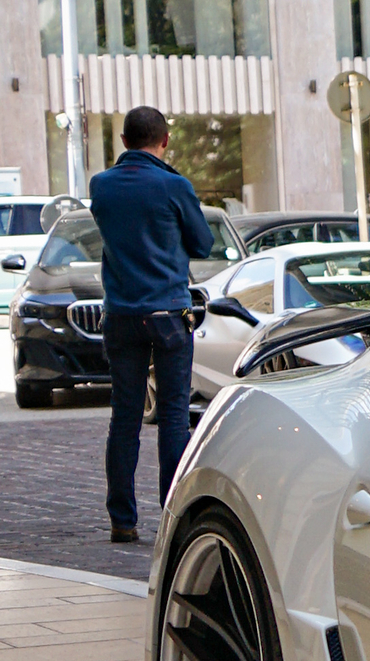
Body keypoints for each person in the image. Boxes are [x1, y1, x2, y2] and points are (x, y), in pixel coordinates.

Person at [89, 106, 212, 543]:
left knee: (124, 417)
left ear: (123, 142)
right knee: (175, 417)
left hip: (120, 314)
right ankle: (173, 516)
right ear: (165, 141)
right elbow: (202, 241)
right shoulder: (174, 185)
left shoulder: (100, 186)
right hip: (167, 313)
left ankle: (122, 519)